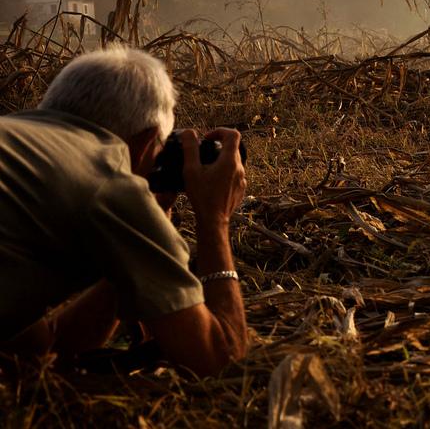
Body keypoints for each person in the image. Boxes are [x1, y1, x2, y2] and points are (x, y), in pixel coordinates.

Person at [0, 46, 247, 376]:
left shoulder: (18, 139)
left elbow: (42, 346)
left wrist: (136, 252)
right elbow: (218, 358)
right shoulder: (111, 177)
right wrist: (215, 219)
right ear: (146, 143)